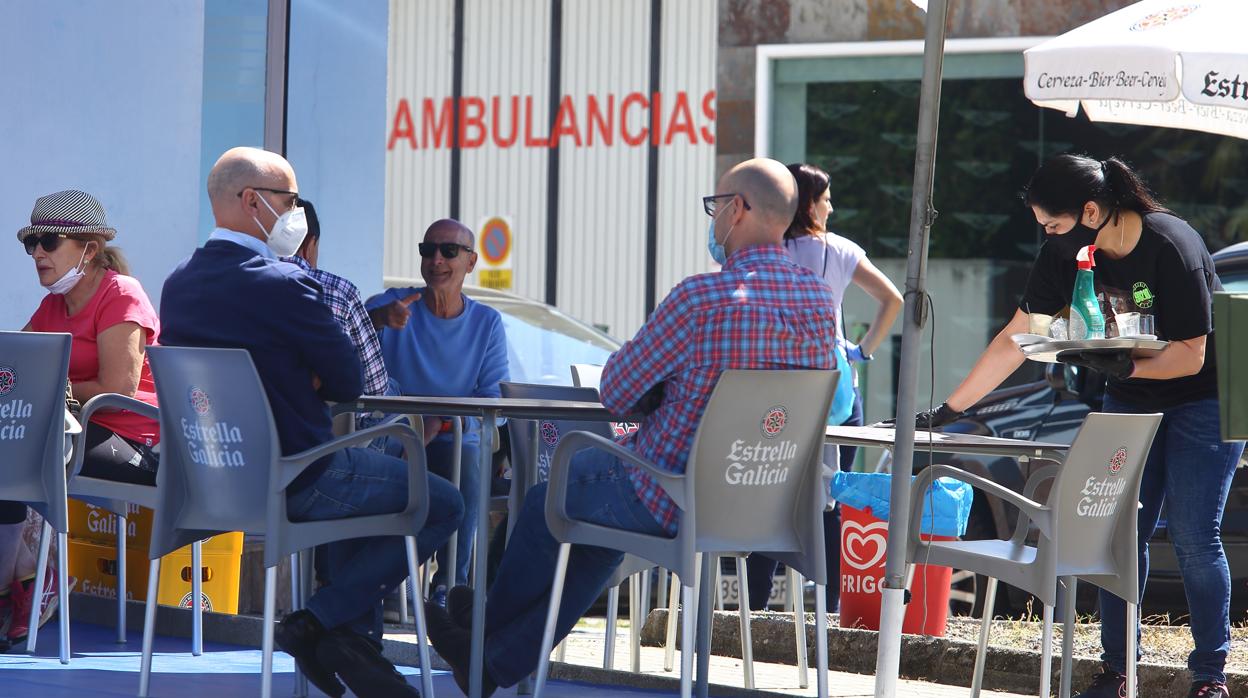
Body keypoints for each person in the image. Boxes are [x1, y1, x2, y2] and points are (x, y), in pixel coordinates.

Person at [422, 157, 840, 696]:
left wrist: (668, 387)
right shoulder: (819, 303)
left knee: (548, 499)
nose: (713, 220)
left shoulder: (701, 298)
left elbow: (616, 392)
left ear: (737, 210)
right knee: (593, 535)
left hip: (669, 491)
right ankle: (491, 657)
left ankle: (480, 638)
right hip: (770, 496)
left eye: (716, 207)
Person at [907, 154, 1243, 698]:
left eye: (1055, 225)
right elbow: (1016, 337)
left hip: (1207, 396)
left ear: (1093, 210)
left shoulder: (1171, 246)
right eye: (1044, 227)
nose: (1049, 236)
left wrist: (1125, 365)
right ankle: (1117, 669)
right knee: (1115, 532)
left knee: (1193, 536)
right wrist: (950, 409)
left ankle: (1209, 676)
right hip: (1131, 394)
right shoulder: (1066, 253)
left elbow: (1191, 356)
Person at [160, 146, 463, 698]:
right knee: (442, 501)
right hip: (298, 477)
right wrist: (308, 374)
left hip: (211, 480)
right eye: (289, 200)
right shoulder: (283, 283)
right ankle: (320, 622)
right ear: (252, 201)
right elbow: (352, 385)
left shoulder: (178, 283)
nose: (295, 214)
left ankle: (350, 646)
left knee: (381, 477)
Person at [6, 189, 163, 645]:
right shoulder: (53, 305)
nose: (37, 252)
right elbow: (16, 370)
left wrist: (50, 391)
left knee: (26, 445)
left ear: (89, 249)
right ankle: (17, 581)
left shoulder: (121, 294)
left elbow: (119, 391)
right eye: (30, 243)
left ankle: (33, 577)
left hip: (135, 441)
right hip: (73, 435)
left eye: (49, 241)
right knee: (7, 442)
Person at [746, 162, 903, 612]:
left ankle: (755, 607)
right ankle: (834, 605)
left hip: (779, 387)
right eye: (827, 197)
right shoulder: (839, 250)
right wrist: (861, 350)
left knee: (771, 493)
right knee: (834, 499)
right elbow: (892, 299)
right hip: (835, 388)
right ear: (809, 202)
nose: (831, 205)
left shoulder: (766, 250)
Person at [366, 219, 509, 606]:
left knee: (469, 454)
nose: (437, 260)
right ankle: (380, 585)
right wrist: (380, 321)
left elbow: (494, 399)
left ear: (471, 262)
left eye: (449, 251)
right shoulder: (390, 305)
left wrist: (440, 422)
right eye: (427, 250)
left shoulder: (487, 323)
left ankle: (450, 588)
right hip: (395, 438)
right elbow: (345, 356)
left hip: (454, 438)